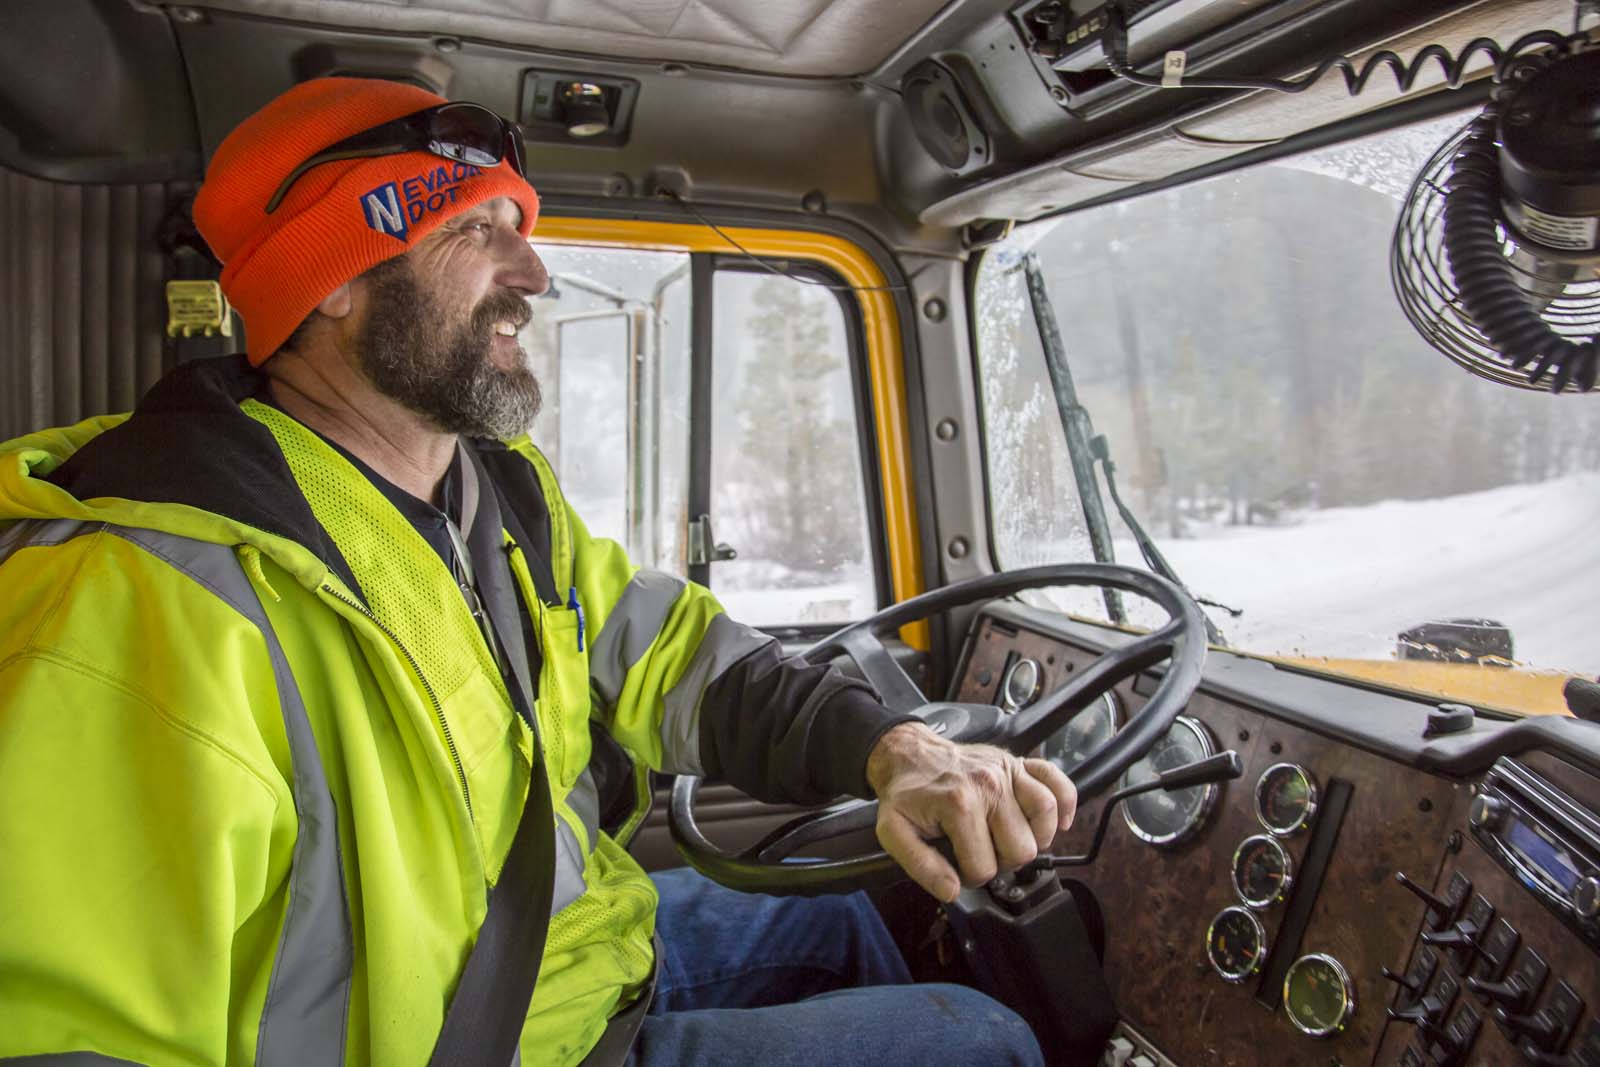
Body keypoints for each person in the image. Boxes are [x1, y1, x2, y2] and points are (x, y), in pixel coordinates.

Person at [0, 77, 1076, 1066]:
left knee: (840, 917)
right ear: (329, 283)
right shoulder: (137, 596)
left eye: (522, 229)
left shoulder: (499, 498)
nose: (533, 275)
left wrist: (892, 747)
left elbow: (675, 656)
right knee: (972, 1036)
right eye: (476, 231)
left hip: (574, 960)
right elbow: (69, 1032)